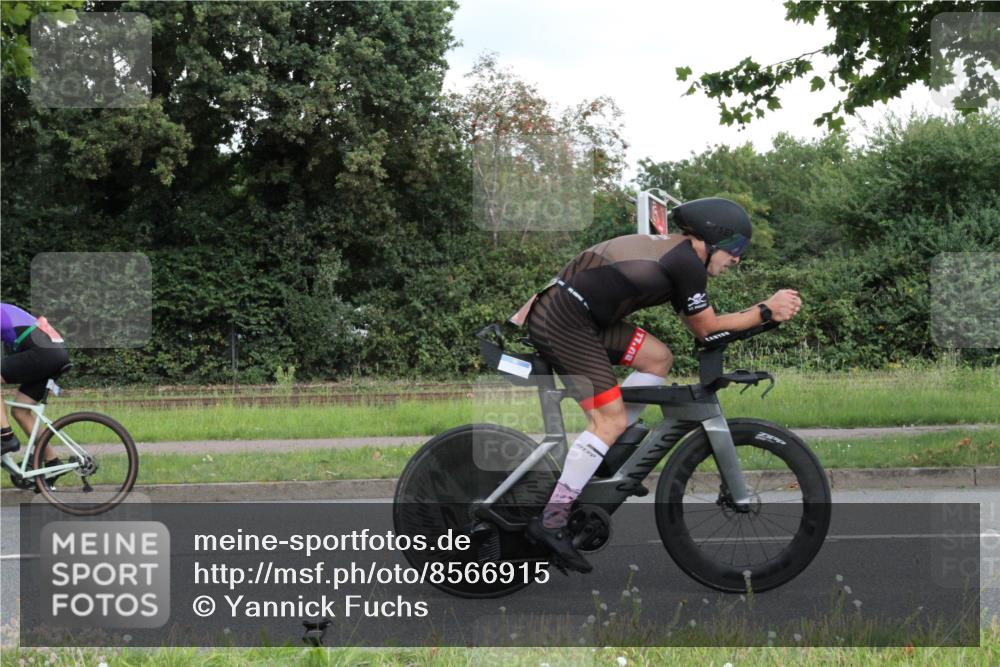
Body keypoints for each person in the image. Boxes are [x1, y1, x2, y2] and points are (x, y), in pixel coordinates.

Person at [509, 197, 803, 573]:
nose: (737, 258)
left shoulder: (681, 258)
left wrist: (764, 317)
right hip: (564, 321)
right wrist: (765, 310)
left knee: (657, 358)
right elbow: (707, 330)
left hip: (582, 317)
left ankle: (609, 452)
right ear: (712, 237)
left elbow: (706, 333)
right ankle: (552, 520)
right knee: (609, 420)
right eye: (735, 247)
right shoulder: (686, 262)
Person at [1, 303, 70, 477]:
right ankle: (53, 462)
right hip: (52, 353)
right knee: (20, 411)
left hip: (44, 354)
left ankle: (6, 436)